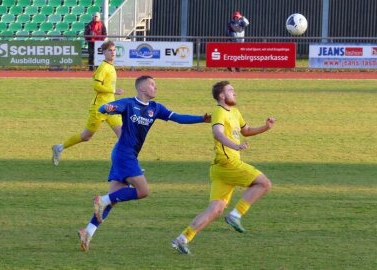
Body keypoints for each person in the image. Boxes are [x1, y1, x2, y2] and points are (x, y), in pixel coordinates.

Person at [77, 75, 211, 252]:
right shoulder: (128, 103)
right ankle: (101, 200)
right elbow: (106, 107)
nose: (156, 87)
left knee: (115, 198)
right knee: (143, 191)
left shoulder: (156, 108)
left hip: (126, 155)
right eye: (152, 85)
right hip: (124, 155)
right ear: (142, 88)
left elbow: (178, 117)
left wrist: (201, 119)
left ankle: (88, 231)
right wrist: (107, 108)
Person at [172, 81, 275, 254]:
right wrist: (234, 146)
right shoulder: (219, 112)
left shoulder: (235, 112)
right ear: (221, 95)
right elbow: (218, 133)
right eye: (230, 90)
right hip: (228, 163)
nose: (234, 93)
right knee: (264, 184)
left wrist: (266, 127)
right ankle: (235, 215)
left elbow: (246, 130)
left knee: (216, 209)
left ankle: (183, 239)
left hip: (220, 169)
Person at [51, 40, 124, 166]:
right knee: (86, 137)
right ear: (104, 53)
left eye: (114, 50)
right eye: (109, 51)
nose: (112, 53)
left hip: (111, 108)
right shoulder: (104, 67)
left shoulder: (110, 66)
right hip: (100, 108)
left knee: (123, 136)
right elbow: (96, 86)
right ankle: (59, 148)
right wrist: (113, 91)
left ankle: (128, 164)